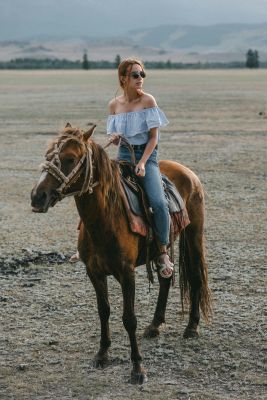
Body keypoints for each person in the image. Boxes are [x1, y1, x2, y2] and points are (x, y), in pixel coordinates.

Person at [106, 57, 173, 278]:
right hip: (123, 155)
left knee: (158, 202)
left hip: (147, 155)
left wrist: (143, 162)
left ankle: (162, 250)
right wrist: (114, 138)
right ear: (123, 78)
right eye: (135, 75)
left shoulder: (148, 101)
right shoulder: (114, 105)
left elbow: (154, 138)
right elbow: (114, 137)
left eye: (142, 74)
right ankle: (87, 245)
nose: (140, 79)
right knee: (99, 191)